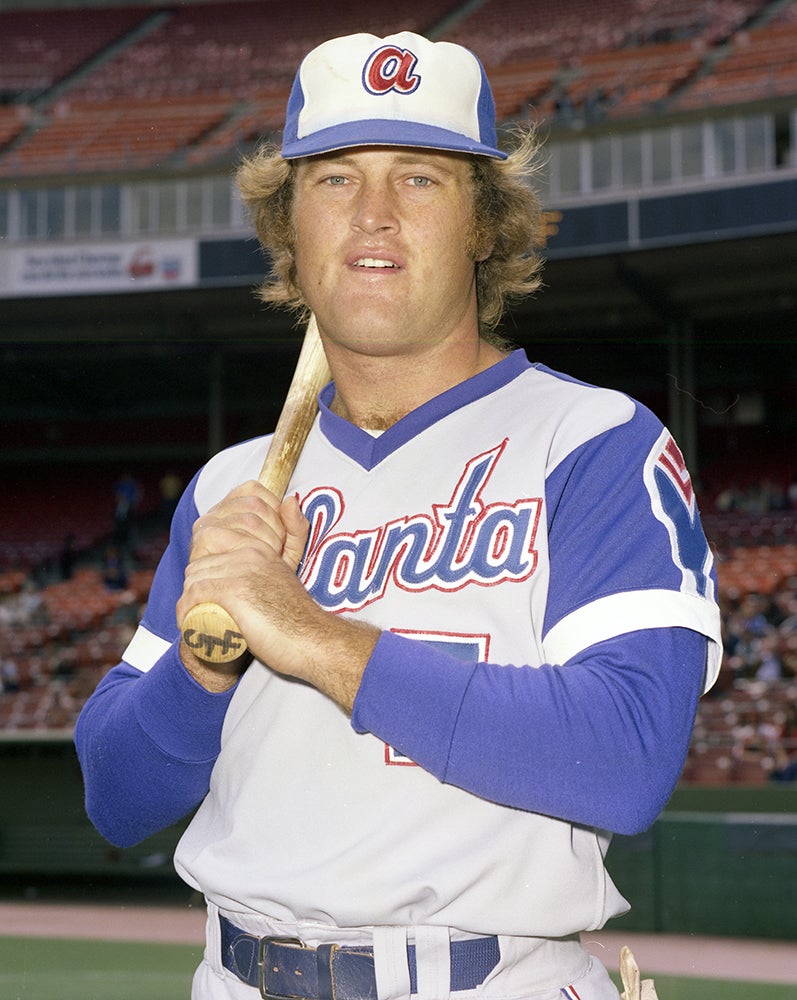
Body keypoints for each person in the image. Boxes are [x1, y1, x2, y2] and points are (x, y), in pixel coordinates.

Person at [75, 31, 722, 1000]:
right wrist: (205, 665)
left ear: (484, 226)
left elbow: (623, 757)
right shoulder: (231, 489)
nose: (372, 212)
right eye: (334, 179)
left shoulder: (590, 441)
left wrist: (305, 632)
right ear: (289, 227)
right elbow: (118, 798)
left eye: (419, 178)